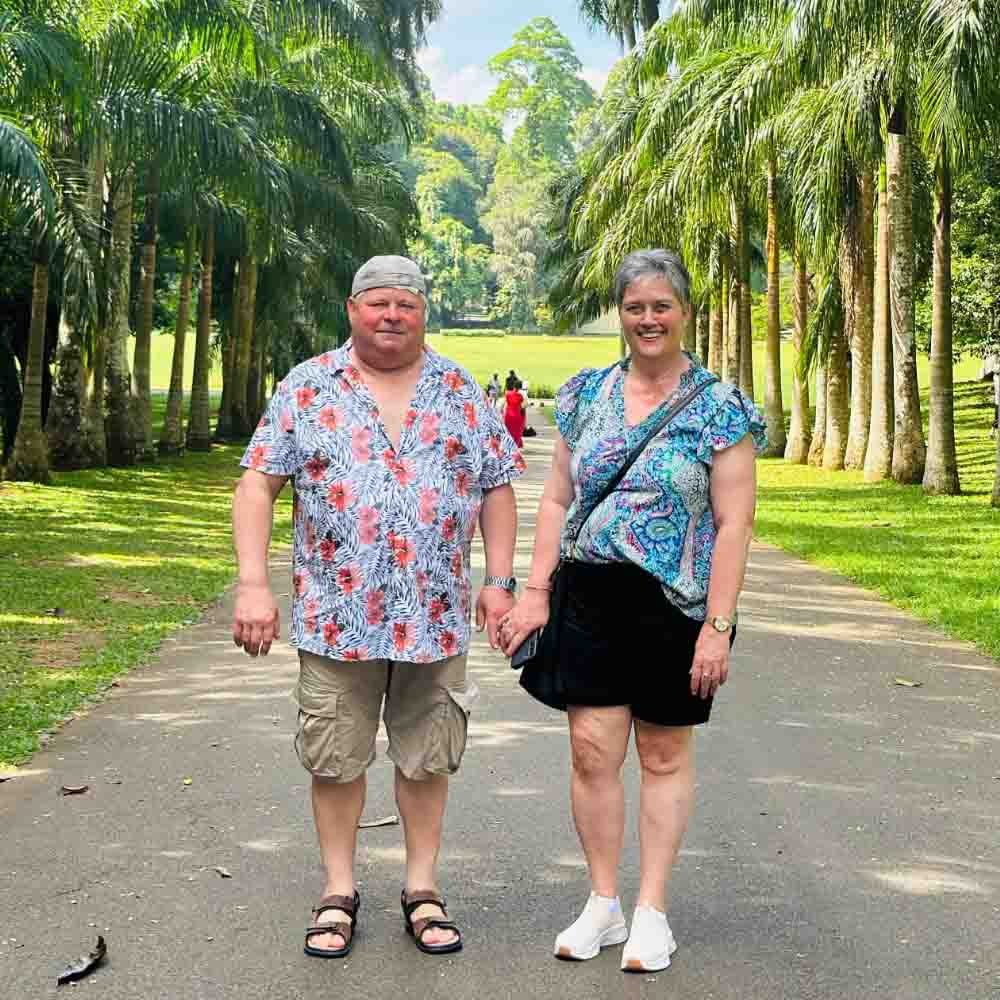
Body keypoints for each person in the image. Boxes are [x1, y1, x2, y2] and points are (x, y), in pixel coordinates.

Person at [232, 254, 524, 961]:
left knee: (428, 759)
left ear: (424, 311)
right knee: (335, 757)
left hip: (436, 616)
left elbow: (497, 487)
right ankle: (338, 890)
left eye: (406, 303)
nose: (391, 315)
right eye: (377, 303)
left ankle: (422, 890)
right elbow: (257, 485)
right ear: (352, 309)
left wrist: (501, 580)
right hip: (338, 616)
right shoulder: (307, 388)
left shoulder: (458, 388)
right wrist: (252, 584)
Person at [499, 249, 765, 973]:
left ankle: (652, 912)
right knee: (591, 752)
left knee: (663, 753)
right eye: (634, 307)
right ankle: (603, 904)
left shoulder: (719, 406)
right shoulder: (586, 394)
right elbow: (557, 498)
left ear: (684, 312)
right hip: (589, 594)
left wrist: (718, 625)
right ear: (620, 315)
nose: (648, 319)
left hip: (674, 604)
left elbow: (735, 523)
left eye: (661, 306)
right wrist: (535, 591)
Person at [504, 379, 526, 448]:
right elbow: (524, 406)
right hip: (517, 415)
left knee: (508, 430)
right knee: (516, 431)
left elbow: (502, 406)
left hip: (508, 415)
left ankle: (508, 444)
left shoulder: (508, 394)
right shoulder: (520, 396)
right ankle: (515, 444)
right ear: (520, 387)